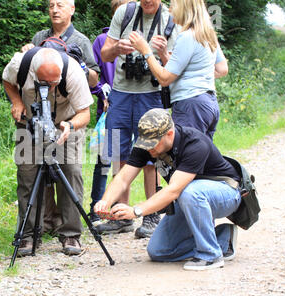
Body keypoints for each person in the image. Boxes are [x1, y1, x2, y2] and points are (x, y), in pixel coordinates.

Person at [94, 109, 241, 271]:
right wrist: (105, 201)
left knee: (191, 192)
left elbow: (173, 191)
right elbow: (123, 178)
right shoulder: (147, 144)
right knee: (159, 251)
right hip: (189, 198)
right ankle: (223, 237)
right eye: (145, 144)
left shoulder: (194, 143)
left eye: (152, 144)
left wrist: (136, 211)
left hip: (226, 192)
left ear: (169, 134)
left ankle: (210, 255)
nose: (148, 149)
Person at [97, 0, 179, 237]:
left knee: (151, 156)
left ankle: (151, 215)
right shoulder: (125, 12)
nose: (148, 2)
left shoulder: (170, 18)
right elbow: (105, 54)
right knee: (117, 153)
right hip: (121, 93)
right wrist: (117, 49)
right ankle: (119, 216)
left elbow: (174, 67)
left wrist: (161, 53)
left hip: (152, 95)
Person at [21, 0, 100, 235]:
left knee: (70, 171)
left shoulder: (81, 41)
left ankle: (70, 230)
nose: (55, 10)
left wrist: (80, 67)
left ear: (72, 9)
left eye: (61, 5)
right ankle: (45, 222)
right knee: (39, 171)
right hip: (39, 114)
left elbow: (95, 79)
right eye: (51, 5)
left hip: (70, 112)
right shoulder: (39, 37)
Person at [3, 47, 93, 256]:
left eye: (55, 83)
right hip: (29, 125)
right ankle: (28, 235)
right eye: (45, 83)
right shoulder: (20, 65)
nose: (51, 88)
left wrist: (69, 126)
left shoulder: (73, 74)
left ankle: (71, 234)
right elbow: (7, 81)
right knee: (27, 176)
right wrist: (16, 101)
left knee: (70, 172)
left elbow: (85, 113)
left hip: (66, 125)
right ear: (34, 72)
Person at [128, 0, 228, 140]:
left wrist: (145, 50)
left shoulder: (187, 36)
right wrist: (164, 54)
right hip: (208, 103)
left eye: (173, 6)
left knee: (186, 155)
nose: (169, 10)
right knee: (202, 157)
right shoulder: (206, 33)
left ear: (183, 8)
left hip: (190, 106)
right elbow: (222, 69)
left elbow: (164, 78)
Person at [87, 0, 136, 223]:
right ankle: (96, 207)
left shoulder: (140, 37)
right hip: (108, 108)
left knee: (137, 158)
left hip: (135, 104)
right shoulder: (100, 40)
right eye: (120, 14)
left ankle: (124, 209)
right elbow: (93, 72)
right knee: (107, 158)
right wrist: (101, 93)